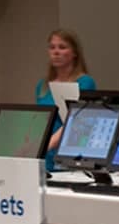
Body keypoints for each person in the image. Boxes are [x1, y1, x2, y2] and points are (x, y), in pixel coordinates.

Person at [34, 29, 96, 171]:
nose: (56, 52)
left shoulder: (84, 82)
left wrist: (47, 145)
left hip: (68, 151)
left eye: (62, 47)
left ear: (74, 53)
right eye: (52, 47)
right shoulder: (42, 85)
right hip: (45, 152)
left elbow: (75, 120)